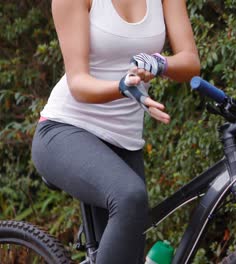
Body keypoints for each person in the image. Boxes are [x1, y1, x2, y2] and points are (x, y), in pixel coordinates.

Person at [31, 0, 200, 263]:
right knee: (130, 197)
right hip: (65, 130)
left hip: (124, 144)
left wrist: (158, 62)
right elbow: (78, 84)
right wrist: (121, 86)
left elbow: (190, 62)